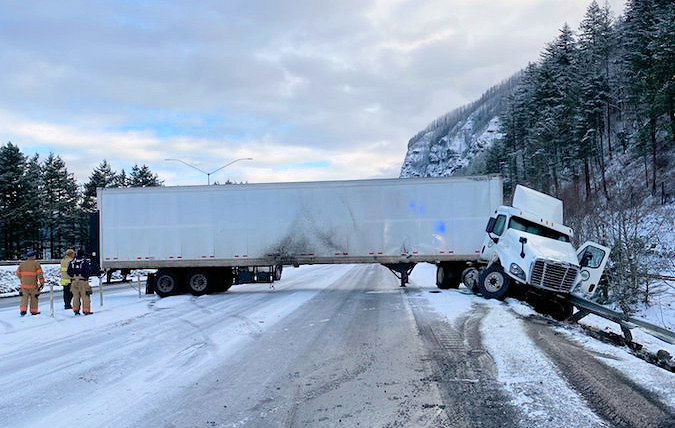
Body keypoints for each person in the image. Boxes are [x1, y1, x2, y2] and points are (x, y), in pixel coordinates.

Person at [16, 250, 45, 316]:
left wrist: (22, 279)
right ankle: (33, 311)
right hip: (33, 285)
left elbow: (18, 273)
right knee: (34, 298)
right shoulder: (36, 264)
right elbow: (40, 274)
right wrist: (42, 282)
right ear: (33, 256)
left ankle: (23, 311)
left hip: (24, 285)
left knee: (24, 298)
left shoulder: (22, 264)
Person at [68, 249, 95, 315]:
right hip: (83, 281)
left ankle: (76, 310)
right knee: (85, 296)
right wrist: (86, 276)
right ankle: (86, 310)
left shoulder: (72, 262)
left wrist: (73, 276)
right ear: (83, 254)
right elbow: (88, 270)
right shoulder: (84, 261)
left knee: (75, 297)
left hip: (74, 281)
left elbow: (68, 271)